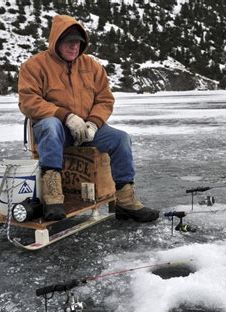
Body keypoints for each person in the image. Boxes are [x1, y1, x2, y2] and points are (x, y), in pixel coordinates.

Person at [18, 15, 159, 223]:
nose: (74, 47)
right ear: (56, 41)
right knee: (50, 124)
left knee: (120, 139)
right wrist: (65, 116)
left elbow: (105, 100)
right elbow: (28, 101)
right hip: (55, 132)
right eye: (69, 42)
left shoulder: (92, 67)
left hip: (86, 129)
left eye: (78, 43)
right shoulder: (34, 66)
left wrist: (93, 123)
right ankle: (53, 197)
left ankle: (126, 201)